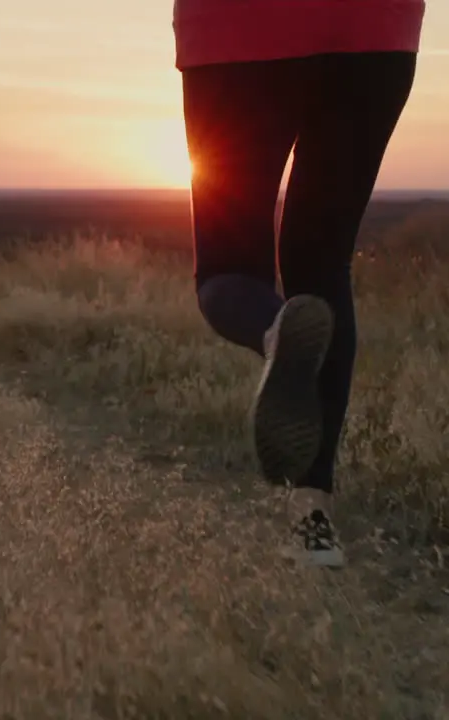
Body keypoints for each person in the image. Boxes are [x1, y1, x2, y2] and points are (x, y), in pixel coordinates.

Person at [172, 0, 426, 567]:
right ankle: (313, 522)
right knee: (321, 262)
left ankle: (275, 329)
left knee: (227, 270)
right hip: (376, 32)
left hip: (237, 30)